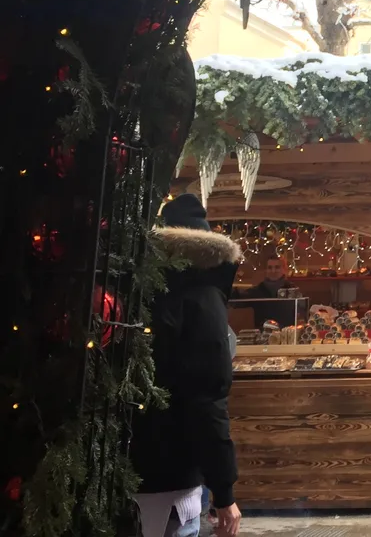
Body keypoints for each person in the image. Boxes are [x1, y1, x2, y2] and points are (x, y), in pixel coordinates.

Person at [131, 194, 240, 537]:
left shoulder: (139, 290)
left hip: (127, 468)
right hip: (173, 477)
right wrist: (224, 492)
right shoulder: (204, 299)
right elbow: (207, 401)